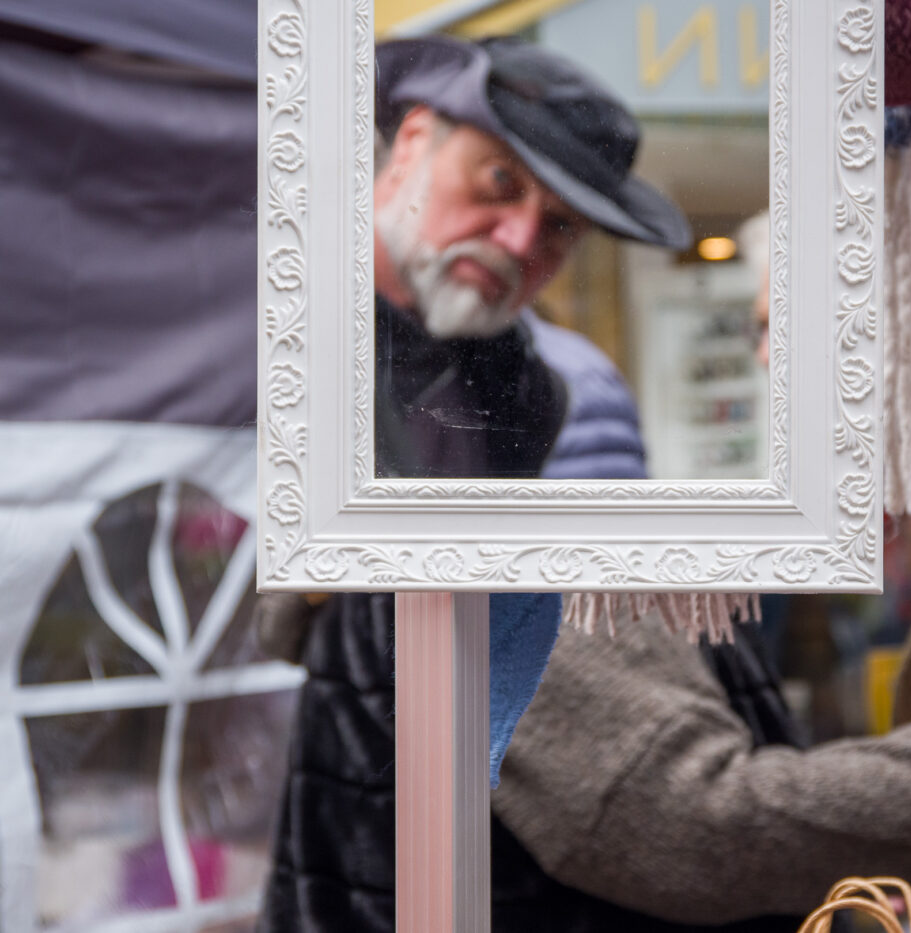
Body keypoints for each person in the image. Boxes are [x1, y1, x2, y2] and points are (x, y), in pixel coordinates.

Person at [486, 210, 911, 933]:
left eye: (776, 324)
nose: (763, 357)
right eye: (765, 326)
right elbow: (689, 826)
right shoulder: (544, 549)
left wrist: (845, 857)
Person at [257, 35, 691, 933]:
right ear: (411, 142)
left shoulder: (527, 390)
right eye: (498, 183)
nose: (521, 239)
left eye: (561, 224)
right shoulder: (267, 314)